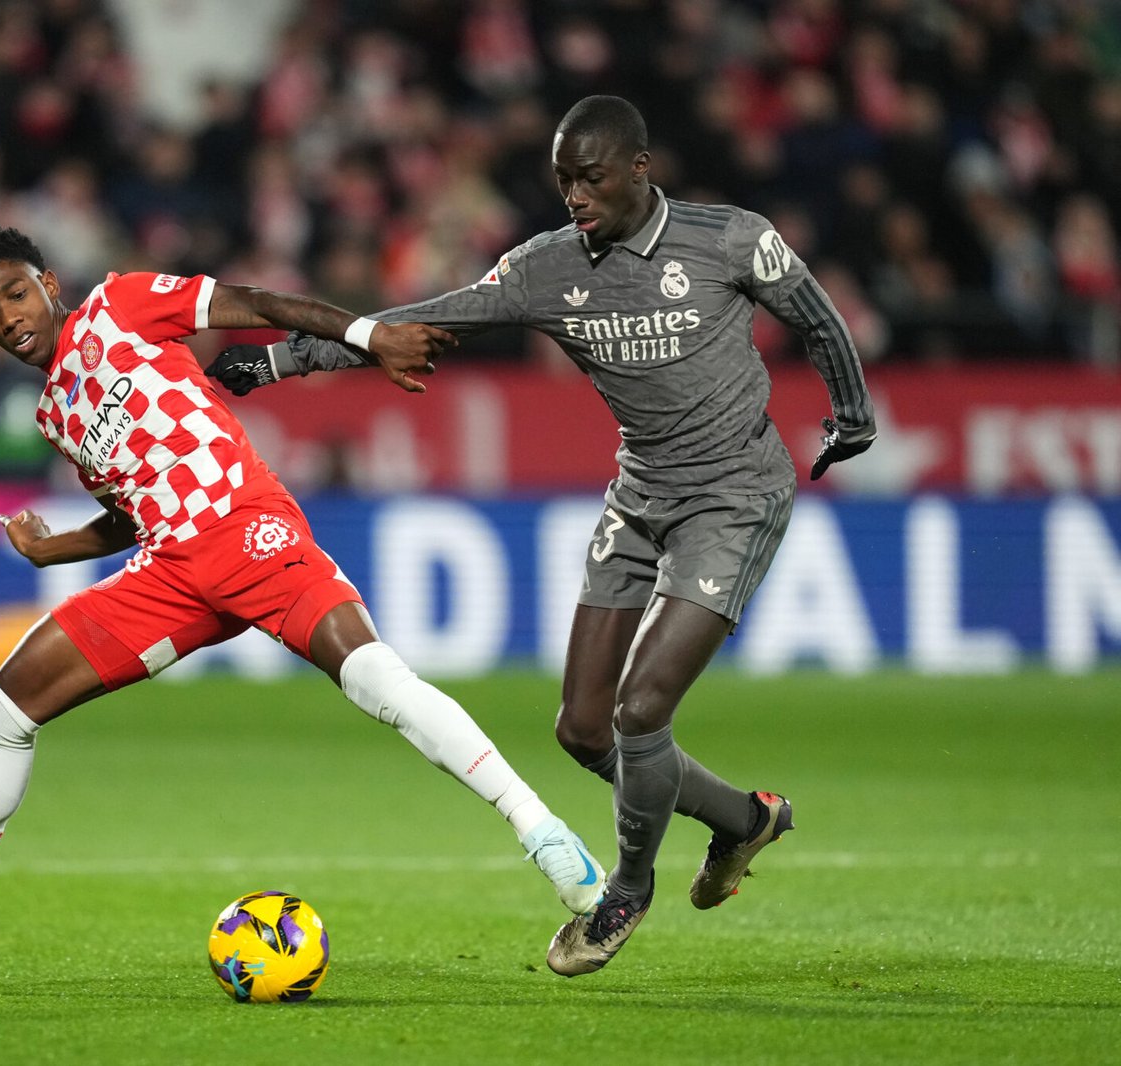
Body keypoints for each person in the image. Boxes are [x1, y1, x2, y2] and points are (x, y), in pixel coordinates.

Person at [0, 225, 606, 977]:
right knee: (2, 705)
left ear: (48, 284)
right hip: (172, 574)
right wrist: (52, 547)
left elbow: (254, 303)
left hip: (243, 526)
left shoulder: (120, 305)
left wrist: (370, 337)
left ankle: (546, 837)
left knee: (374, 678)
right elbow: (130, 510)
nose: (6, 319)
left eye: (15, 296)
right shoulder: (54, 414)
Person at [207, 95, 877, 976]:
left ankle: (625, 894)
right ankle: (745, 822)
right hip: (639, 496)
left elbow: (819, 319)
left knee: (643, 712)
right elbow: (419, 325)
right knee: (583, 729)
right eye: (562, 179)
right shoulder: (545, 267)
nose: (574, 195)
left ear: (640, 167)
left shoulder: (728, 238)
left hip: (735, 494)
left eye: (590, 177)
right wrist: (283, 358)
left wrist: (852, 414)